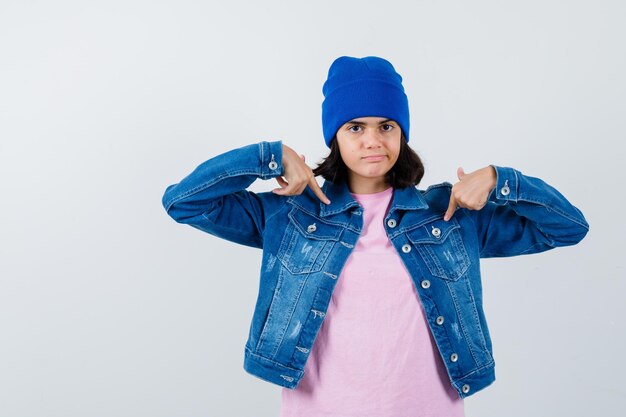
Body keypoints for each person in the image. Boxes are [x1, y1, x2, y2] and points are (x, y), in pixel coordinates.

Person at [161, 56, 589, 416]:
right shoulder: (290, 215)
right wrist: (268, 158)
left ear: (402, 133)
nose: (373, 141)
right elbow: (183, 202)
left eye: (386, 126)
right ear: (335, 135)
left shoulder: (449, 215)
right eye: (355, 127)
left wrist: (501, 180)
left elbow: (568, 228)